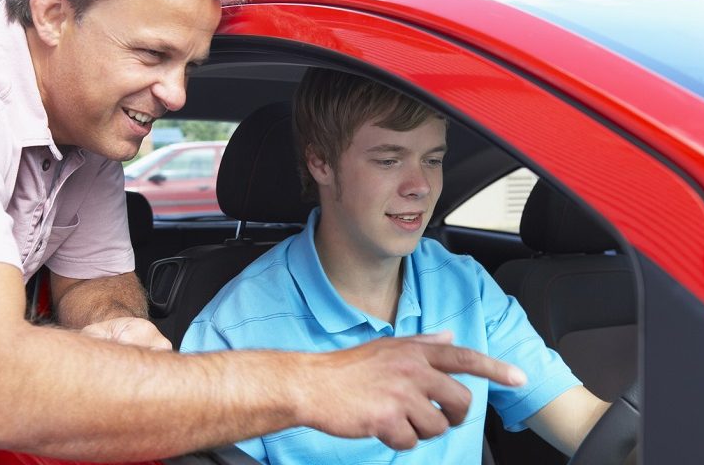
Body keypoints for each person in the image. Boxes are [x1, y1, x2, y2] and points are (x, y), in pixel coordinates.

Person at [0, 0, 527, 463]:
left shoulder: (89, 125)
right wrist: (311, 385)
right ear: (51, 13)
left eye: (189, 64)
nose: (178, 94)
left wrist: (120, 329)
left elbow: (94, 281)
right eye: (153, 54)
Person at [181, 68, 611, 464]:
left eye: (433, 159)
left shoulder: (466, 285)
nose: (420, 186)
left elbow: (586, 424)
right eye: (389, 160)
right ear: (321, 163)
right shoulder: (231, 330)